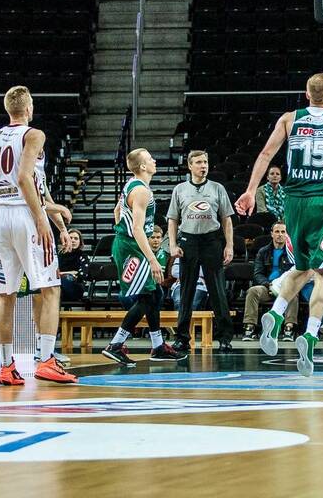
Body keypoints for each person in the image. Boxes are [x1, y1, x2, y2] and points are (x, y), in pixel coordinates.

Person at [235, 73, 323, 378]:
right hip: (322, 202)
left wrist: (250, 190)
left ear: (306, 94)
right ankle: (311, 334)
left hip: (293, 204)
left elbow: (265, 154)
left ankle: (275, 314)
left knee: (300, 268)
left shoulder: (289, 119)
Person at [0, 85, 76, 385]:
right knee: (51, 288)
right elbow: (23, 178)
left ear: (9, 109)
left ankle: (6, 367)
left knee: (7, 295)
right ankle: (44, 360)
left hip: (1, 214)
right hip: (24, 214)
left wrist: (0, 210)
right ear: (29, 108)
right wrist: (41, 219)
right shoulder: (34, 135)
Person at [101, 149, 183, 366]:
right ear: (143, 167)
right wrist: (153, 259)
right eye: (150, 159)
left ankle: (158, 346)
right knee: (147, 296)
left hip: (128, 244)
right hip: (131, 246)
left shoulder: (133, 184)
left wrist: (121, 229)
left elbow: (116, 210)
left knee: (155, 293)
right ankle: (115, 345)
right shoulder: (141, 192)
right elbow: (137, 228)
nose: (154, 160)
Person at [166, 150, 236, 353]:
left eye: (205, 162)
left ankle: (224, 338)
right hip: (188, 241)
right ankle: (182, 338)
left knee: (217, 291)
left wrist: (229, 245)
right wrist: (172, 244)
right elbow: (172, 219)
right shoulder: (180, 189)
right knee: (186, 291)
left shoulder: (217, 188)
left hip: (211, 241)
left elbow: (226, 219)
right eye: (198, 162)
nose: (203, 166)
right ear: (190, 166)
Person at [243, 221, 300, 340]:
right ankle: (250, 327)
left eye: (283, 232)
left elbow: (297, 273)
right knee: (253, 291)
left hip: (286, 287)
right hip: (267, 286)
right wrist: (268, 285)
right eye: (277, 231)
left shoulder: (293, 252)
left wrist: (283, 286)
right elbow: (258, 274)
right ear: (272, 234)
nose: (280, 234)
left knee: (293, 295)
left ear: (287, 235)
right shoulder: (263, 251)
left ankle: (288, 328)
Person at [156, 225, 208, 315]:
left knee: (193, 304)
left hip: (199, 285)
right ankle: (179, 328)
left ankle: (191, 329)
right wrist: (194, 273)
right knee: (179, 303)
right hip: (181, 284)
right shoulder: (182, 251)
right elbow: (175, 271)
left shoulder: (207, 254)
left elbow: (207, 271)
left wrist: (186, 273)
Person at [59, 228, 90, 304]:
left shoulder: (84, 256)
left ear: (80, 242)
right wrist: (71, 272)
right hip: (60, 286)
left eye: (76, 238)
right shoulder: (59, 255)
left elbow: (82, 275)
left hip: (76, 287)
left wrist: (61, 274)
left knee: (66, 279)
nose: (73, 240)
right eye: (70, 238)